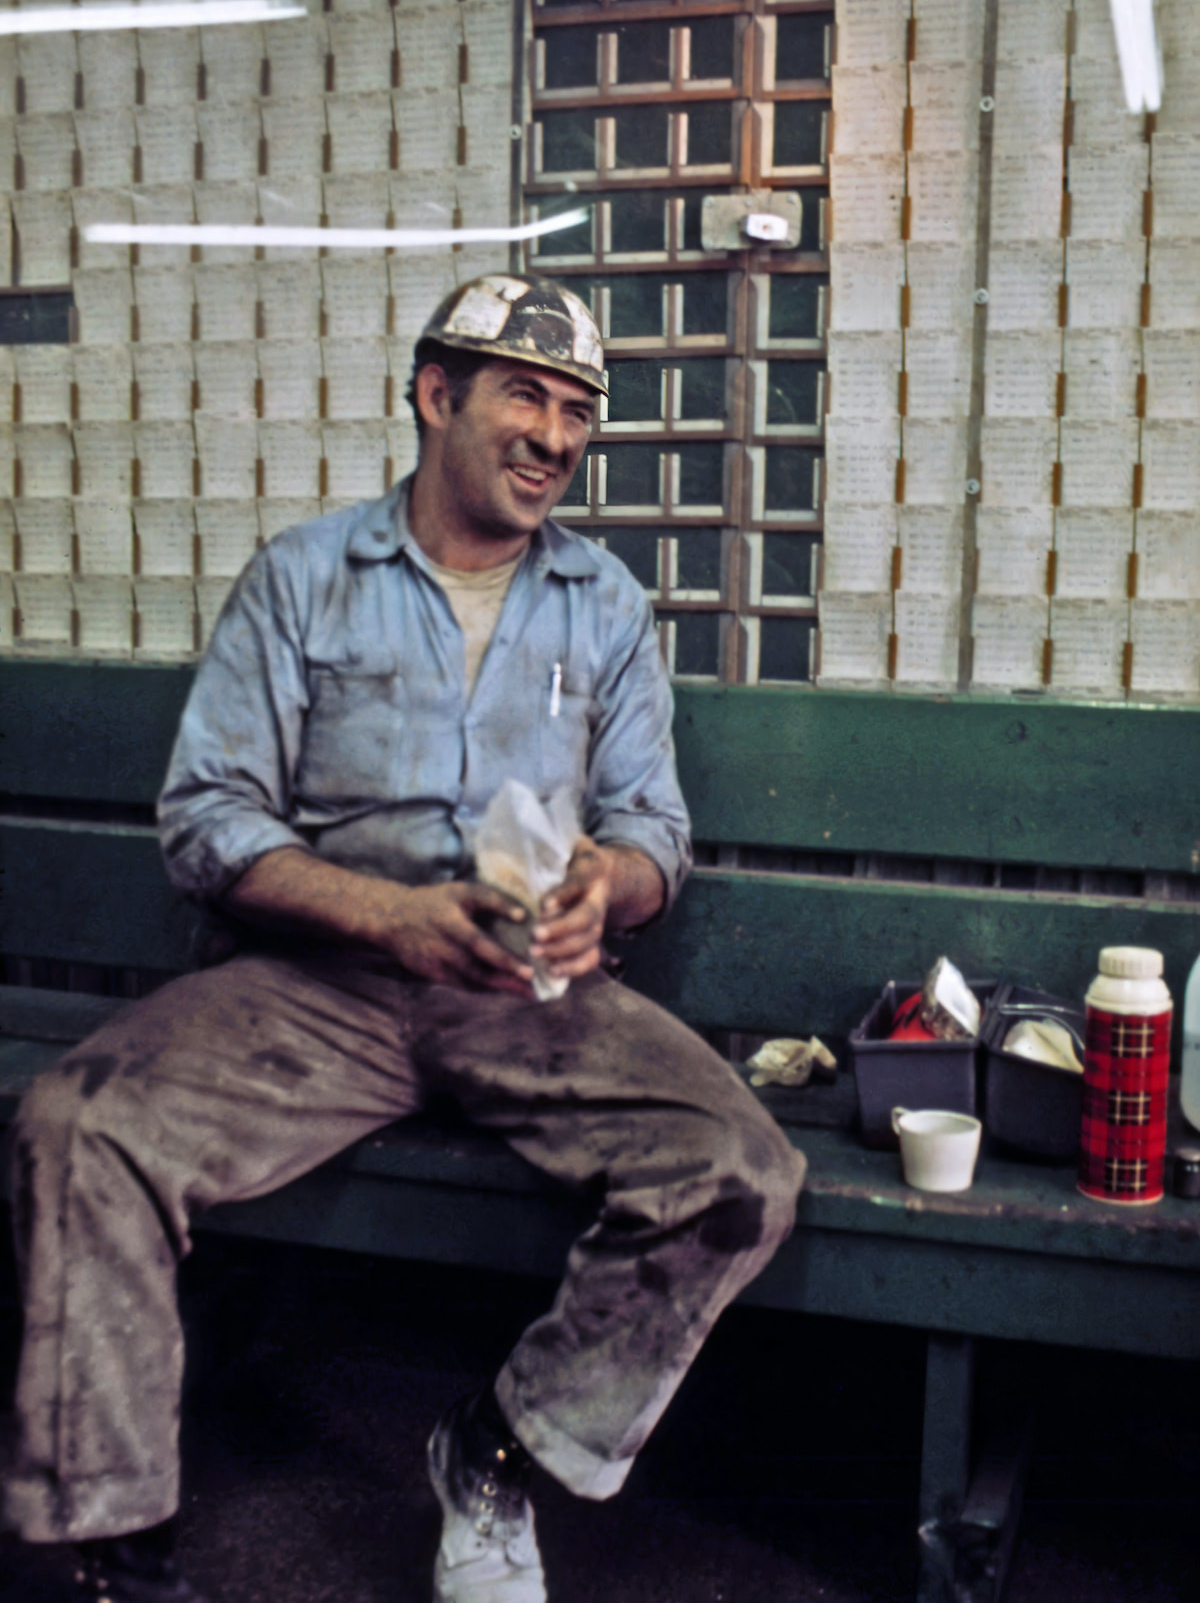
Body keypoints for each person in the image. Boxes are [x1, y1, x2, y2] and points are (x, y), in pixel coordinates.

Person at [3, 274, 806, 1603]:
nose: (555, 435)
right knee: (73, 1125)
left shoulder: (600, 602)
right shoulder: (306, 577)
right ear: (438, 395)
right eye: (525, 396)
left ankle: (492, 1452)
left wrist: (607, 881)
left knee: (738, 1172)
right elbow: (207, 819)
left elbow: (655, 828)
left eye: (576, 411)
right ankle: (118, 1551)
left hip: (527, 989)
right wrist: (385, 912)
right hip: (312, 988)